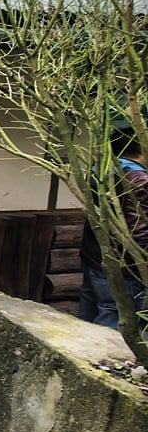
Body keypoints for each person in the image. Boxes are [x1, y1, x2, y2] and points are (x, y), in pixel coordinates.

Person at [78, 128, 148, 329]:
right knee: (116, 318)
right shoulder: (138, 180)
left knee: (88, 314)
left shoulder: (100, 172)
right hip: (123, 264)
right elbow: (139, 231)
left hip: (94, 255)